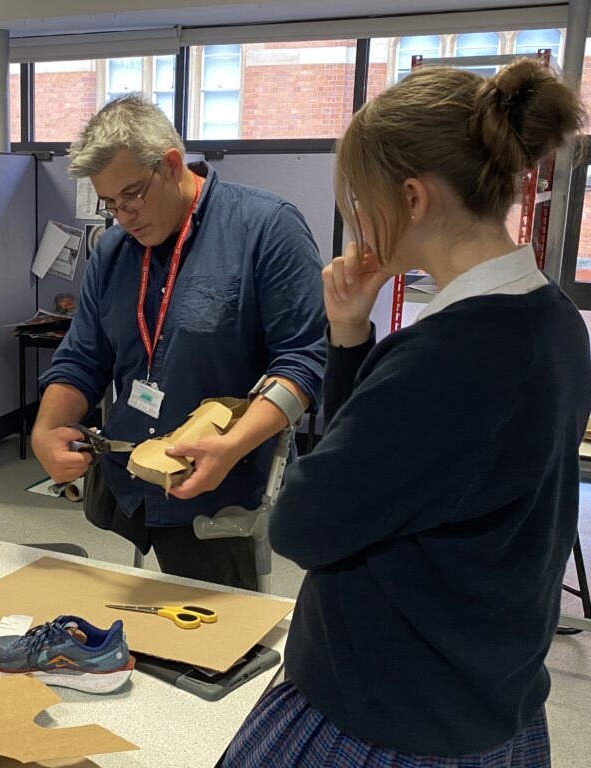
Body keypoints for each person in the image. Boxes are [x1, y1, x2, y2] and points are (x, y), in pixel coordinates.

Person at [221, 59, 590, 766]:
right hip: (483, 692)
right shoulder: (553, 321)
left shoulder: (448, 357)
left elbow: (305, 521)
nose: (358, 221)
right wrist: (351, 339)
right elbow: (399, 476)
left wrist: (356, 357)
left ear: (412, 198)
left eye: (361, 201)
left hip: (388, 712)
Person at [33, 94, 326, 589]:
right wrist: (46, 428)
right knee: (136, 626)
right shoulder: (113, 250)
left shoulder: (266, 228)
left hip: (221, 485)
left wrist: (232, 445)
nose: (123, 216)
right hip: (132, 475)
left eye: (133, 196)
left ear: (171, 165)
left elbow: (301, 363)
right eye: (110, 205)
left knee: (217, 644)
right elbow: (83, 355)